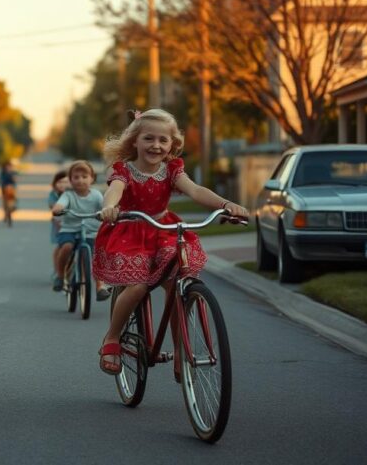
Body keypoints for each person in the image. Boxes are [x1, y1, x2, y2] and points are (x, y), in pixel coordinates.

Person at [93, 109, 249, 376]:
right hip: (131, 232)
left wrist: (226, 204)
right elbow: (114, 191)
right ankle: (112, 338)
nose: (156, 145)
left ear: (172, 145)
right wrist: (109, 207)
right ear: (135, 142)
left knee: (176, 282)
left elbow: (196, 191)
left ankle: (180, 349)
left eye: (163, 140)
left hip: (163, 228)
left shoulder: (172, 170)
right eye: (149, 139)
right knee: (137, 286)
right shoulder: (124, 171)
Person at [50, 161, 109, 299]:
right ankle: (60, 275)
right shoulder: (68, 195)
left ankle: (100, 286)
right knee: (66, 247)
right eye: (76, 177)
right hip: (69, 229)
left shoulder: (96, 195)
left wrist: (105, 212)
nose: (80, 180)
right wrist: (58, 209)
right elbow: (60, 204)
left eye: (84, 176)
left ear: (92, 178)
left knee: (97, 255)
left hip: (91, 231)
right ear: (70, 180)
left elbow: (104, 206)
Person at [47, 170, 69, 280]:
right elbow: (53, 208)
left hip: (73, 222)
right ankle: (57, 270)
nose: (62, 185)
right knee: (59, 246)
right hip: (58, 223)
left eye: (65, 182)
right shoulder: (53, 194)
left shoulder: (73, 193)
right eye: (59, 182)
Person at [0, 161, 18, 227]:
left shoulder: (13, 173)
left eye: (10, 166)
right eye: (7, 166)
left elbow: (15, 181)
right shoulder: (3, 173)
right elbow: (1, 181)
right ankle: (6, 213)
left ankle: (12, 209)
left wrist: (14, 178)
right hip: (4, 190)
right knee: (5, 203)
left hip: (12, 190)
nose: (8, 167)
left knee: (13, 202)